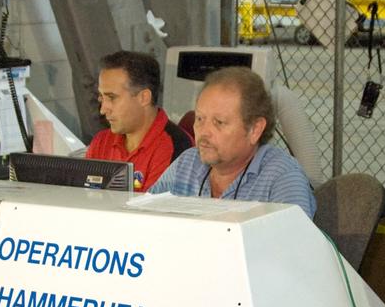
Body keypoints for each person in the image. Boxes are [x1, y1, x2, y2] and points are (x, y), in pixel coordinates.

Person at [148, 66, 316, 217]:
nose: (204, 132)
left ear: (255, 130)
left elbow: (295, 241)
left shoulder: (282, 178)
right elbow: (143, 218)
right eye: (199, 119)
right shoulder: (187, 164)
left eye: (219, 122)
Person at [84, 50, 190, 191]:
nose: (103, 109)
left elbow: (152, 205)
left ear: (144, 98)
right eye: (101, 98)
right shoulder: (101, 142)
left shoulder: (176, 148)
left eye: (112, 98)